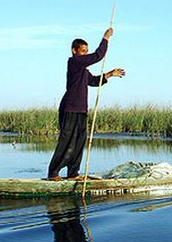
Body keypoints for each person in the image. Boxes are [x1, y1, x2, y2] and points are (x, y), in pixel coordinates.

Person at [47, 27, 125, 181]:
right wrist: (105, 38)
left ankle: (73, 173)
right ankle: (53, 173)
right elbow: (98, 56)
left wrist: (110, 74)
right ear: (74, 51)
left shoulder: (83, 70)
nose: (85, 53)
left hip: (81, 109)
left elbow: (94, 81)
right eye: (83, 51)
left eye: (86, 50)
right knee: (66, 140)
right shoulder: (74, 62)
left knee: (79, 141)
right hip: (70, 107)